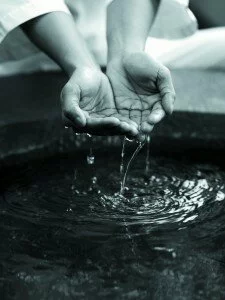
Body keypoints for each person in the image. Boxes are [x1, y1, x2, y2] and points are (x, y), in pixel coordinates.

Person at [0, 0, 196, 139]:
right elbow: (27, 4)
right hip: (37, 52)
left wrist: (126, 54)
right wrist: (84, 66)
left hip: (126, 33)